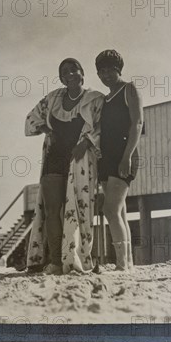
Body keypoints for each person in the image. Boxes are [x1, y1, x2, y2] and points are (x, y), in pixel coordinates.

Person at [25, 58, 104, 275]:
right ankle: (55, 261)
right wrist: (47, 131)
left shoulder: (94, 99)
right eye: (64, 72)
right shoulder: (52, 99)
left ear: (82, 73)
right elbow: (31, 120)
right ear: (61, 77)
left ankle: (77, 258)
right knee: (52, 211)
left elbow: (103, 127)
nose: (69, 74)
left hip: (79, 161)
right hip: (54, 159)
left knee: (79, 210)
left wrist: (86, 143)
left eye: (73, 70)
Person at [95, 49, 143, 271]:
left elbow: (137, 124)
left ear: (119, 69)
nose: (106, 75)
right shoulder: (104, 99)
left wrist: (127, 157)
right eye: (101, 71)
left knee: (110, 209)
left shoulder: (129, 89)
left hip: (124, 155)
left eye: (110, 70)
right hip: (105, 157)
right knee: (120, 210)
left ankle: (121, 263)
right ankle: (128, 262)